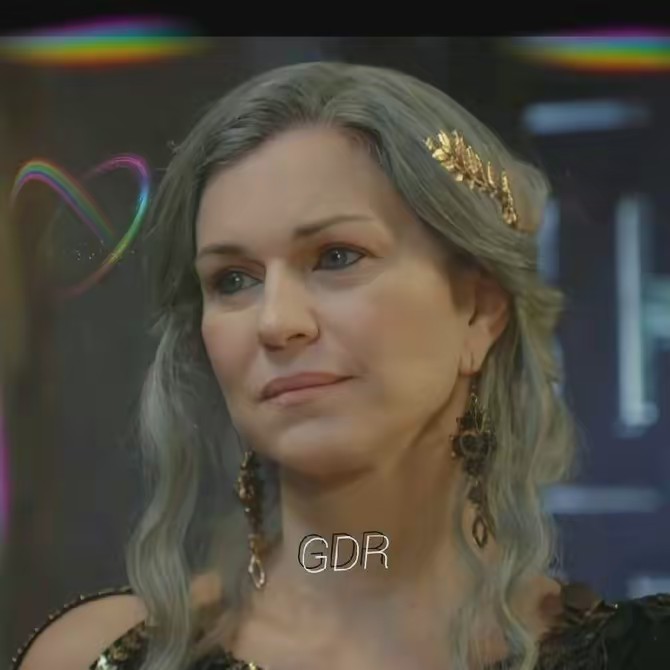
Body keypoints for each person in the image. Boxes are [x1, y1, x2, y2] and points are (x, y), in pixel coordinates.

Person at [11, 61, 670, 670]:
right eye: (233, 279)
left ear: (478, 311)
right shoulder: (95, 657)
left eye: (336, 257)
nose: (276, 321)